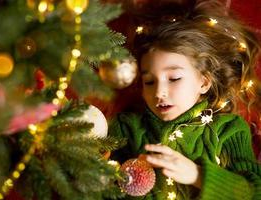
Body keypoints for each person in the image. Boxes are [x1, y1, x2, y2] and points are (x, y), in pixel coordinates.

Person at [108, 0, 261, 199]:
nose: (159, 92)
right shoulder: (126, 126)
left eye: (174, 78)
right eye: (149, 81)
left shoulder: (229, 129)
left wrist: (197, 175)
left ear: (204, 82)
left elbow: (255, 192)